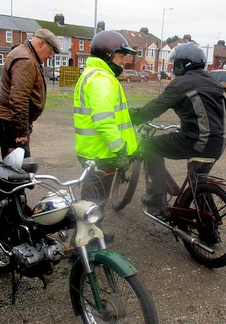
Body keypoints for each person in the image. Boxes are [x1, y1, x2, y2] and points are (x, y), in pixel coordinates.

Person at [129, 42, 226, 218]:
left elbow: (154, 108)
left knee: (150, 146)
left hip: (196, 141)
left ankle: (157, 200)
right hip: (218, 142)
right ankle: (210, 231)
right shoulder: (214, 83)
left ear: (183, 62)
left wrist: (132, 117)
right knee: (198, 181)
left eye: (176, 62)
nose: (174, 66)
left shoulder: (181, 83)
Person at [73, 30, 138, 241]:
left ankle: (92, 234)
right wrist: (119, 149)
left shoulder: (97, 76)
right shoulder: (101, 80)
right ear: (108, 55)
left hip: (96, 152)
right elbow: (104, 120)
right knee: (93, 200)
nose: (123, 62)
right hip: (100, 153)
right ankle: (84, 244)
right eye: (120, 57)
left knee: (96, 199)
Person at [0, 28, 60, 159]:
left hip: (10, 121)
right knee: (18, 168)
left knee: (15, 166)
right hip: (10, 122)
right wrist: (22, 132)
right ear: (41, 43)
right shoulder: (26, 60)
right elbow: (19, 98)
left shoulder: (25, 54)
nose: (50, 56)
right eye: (50, 51)